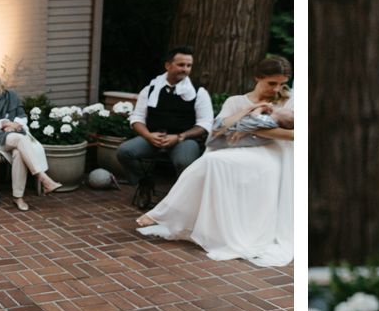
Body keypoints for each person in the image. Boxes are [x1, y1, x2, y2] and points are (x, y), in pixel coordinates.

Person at [137, 53, 294, 265]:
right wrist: (244, 123)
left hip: (271, 153)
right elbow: (217, 131)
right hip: (238, 150)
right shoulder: (236, 101)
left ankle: (163, 213)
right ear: (258, 77)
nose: (276, 89)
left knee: (215, 162)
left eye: (281, 84)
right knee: (211, 161)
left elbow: (295, 134)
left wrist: (251, 130)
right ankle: (168, 214)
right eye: (271, 83)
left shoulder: (288, 101)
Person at [117, 45, 214, 208]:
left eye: (189, 65)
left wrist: (180, 137)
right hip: (153, 137)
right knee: (124, 152)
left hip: (183, 139)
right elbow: (137, 118)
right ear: (168, 65)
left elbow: (205, 124)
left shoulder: (199, 93)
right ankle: (144, 184)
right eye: (181, 65)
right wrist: (148, 135)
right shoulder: (150, 89)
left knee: (185, 161)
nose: (185, 69)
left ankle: (180, 198)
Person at [0, 67, 59, 211]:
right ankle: (43, 178)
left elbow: (22, 116)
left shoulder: (10, 95)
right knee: (20, 140)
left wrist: (14, 124)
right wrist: (4, 123)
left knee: (18, 152)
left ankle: (18, 197)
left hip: (13, 132)